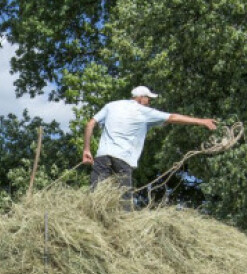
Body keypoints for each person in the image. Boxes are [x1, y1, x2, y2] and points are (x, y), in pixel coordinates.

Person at [82, 86, 217, 206]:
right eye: (148, 99)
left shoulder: (111, 105)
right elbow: (173, 118)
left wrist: (87, 150)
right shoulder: (143, 111)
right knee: (124, 203)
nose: (149, 102)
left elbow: (90, 124)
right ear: (141, 98)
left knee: (95, 197)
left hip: (102, 157)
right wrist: (201, 121)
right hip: (123, 160)